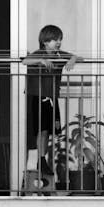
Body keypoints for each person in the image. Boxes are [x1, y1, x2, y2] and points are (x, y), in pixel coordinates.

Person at [23, 24, 78, 189]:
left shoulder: (60, 54)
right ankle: (40, 160)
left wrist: (73, 59)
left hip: (52, 98)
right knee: (40, 130)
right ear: (45, 41)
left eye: (60, 39)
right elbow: (25, 60)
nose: (59, 42)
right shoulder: (39, 53)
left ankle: (42, 160)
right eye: (55, 39)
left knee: (48, 131)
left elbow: (78, 57)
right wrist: (41, 59)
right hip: (38, 97)